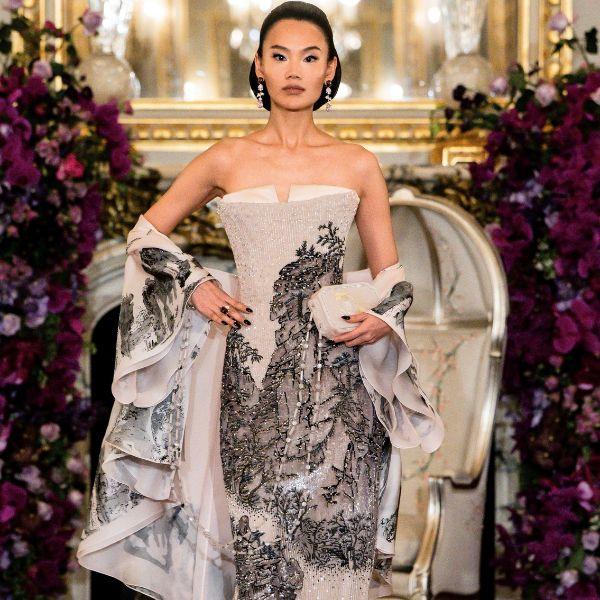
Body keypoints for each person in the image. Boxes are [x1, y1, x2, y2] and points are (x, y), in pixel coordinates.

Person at [76, 2, 444, 599]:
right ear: (259, 65)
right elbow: (145, 234)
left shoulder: (358, 164)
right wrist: (195, 283)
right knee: (261, 551)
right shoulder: (226, 157)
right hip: (250, 380)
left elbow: (393, 280)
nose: (294, 70)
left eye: (309, 57)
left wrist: (383, 317)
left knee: (332, 554)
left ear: (330, 69)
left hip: (340, 386)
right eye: (280, 56)